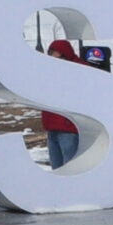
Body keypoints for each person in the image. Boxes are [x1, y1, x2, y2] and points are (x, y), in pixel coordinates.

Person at [39, 39, 84, 169]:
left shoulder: (79, 70)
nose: (54, 58)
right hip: (53, 126)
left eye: (56, 55)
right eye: (51, 54)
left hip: (68, 127)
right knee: (57, 168)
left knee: (69, 167)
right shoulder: (51, 71)